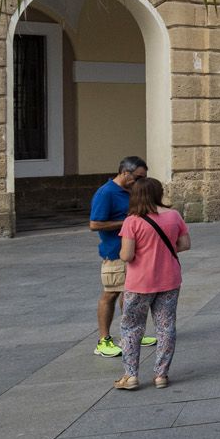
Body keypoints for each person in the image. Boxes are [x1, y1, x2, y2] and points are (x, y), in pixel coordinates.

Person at [113, 177, 189, 390]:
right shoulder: (174, 216)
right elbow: (184, 244)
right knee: (166, 327)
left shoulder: (132, 221)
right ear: (158, 193)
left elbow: (127, 255)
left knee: (131, 327)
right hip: (169, 279)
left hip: (139, 283)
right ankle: (161, 375)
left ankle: (131, 375)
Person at [90, 156, 149, 358]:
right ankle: (103, 340)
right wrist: (127, 223)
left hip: (132, 251)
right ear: (125, 173)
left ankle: (131, 333)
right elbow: (95, 224)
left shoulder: (131, 190)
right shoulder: (106, 193)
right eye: (138, 177)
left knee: (129, 293)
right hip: (114, 252)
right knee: (111, 293)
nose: (141, 182)